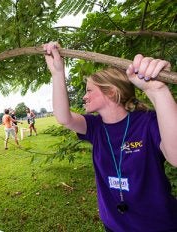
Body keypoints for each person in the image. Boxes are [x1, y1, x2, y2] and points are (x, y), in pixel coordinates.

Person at [44, 41, 177, 231]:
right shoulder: (95, 127)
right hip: (114, 226)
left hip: (158, 226)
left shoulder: (148, 122)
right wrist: (57, 73)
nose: (84, 96)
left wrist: (158, 91)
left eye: (89, 90)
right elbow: (64, 118)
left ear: (112, 92)